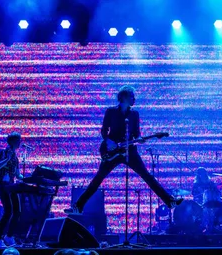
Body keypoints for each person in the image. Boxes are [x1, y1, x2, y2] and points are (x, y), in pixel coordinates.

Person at [65, 85, 183, 214]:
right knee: (98, 179)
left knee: (148, 176)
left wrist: (139, 138)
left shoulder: (134, 114)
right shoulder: (110, 111)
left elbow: (136, 133)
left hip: (130, 151)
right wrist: (108, 141)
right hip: (112, 152)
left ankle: (169, 201)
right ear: (124, 96)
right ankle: (78, 206)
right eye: (132, 96)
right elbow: (104, 131)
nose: (134, 99)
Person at [0, 132, 24, 248]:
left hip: (11, 185)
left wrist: (29, 178)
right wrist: (7, 159)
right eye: (18, 140)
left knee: (17, 211)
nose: (20, 143)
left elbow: (18, 174)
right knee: (8, 212)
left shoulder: (15, 158)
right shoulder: (2, 152)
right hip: (2, 184)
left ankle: (9, 237)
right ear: (11, 142)